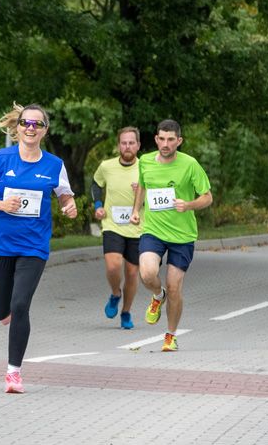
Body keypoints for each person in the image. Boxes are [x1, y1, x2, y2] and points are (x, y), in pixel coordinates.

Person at [0, 103, 77, 393]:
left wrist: (69, 206)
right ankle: (5, 315)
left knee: (20, 306)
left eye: (37, 124)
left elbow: (65, 195)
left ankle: (13, 372)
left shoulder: (54, 165)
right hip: (1, 244)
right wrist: (1, 204)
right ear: (17, 127)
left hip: (34, 246)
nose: (31, 128)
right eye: (26, 123)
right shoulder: (0, 159)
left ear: (44, 130)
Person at [130, 119, 212, 352]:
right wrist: (136, 210)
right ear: (156, 139)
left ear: (179, 141)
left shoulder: (190, 165)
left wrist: (188, 204)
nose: (165, 144)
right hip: (153, 231)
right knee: (147, 273)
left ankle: (170, 335)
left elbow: (207, 197)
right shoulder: (145, 161)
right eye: (161, 139)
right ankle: (157, 295)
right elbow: (143, 187)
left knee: (175, 286)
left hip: (182, 235)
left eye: (170, 140)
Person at [91, 127, 142, 330]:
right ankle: (115, 294)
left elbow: (157, 197)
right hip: (112, 224)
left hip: (138, 227)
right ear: (118, 145)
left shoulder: (146, 168)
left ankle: (126, 311)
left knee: (131, 273)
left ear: (138, 145)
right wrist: (98, 206)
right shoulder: (107, 166)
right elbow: (95, 184)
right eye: (123, 143)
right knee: (113, 266)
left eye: (131, 143)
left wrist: (143, 193)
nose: (127, 146)